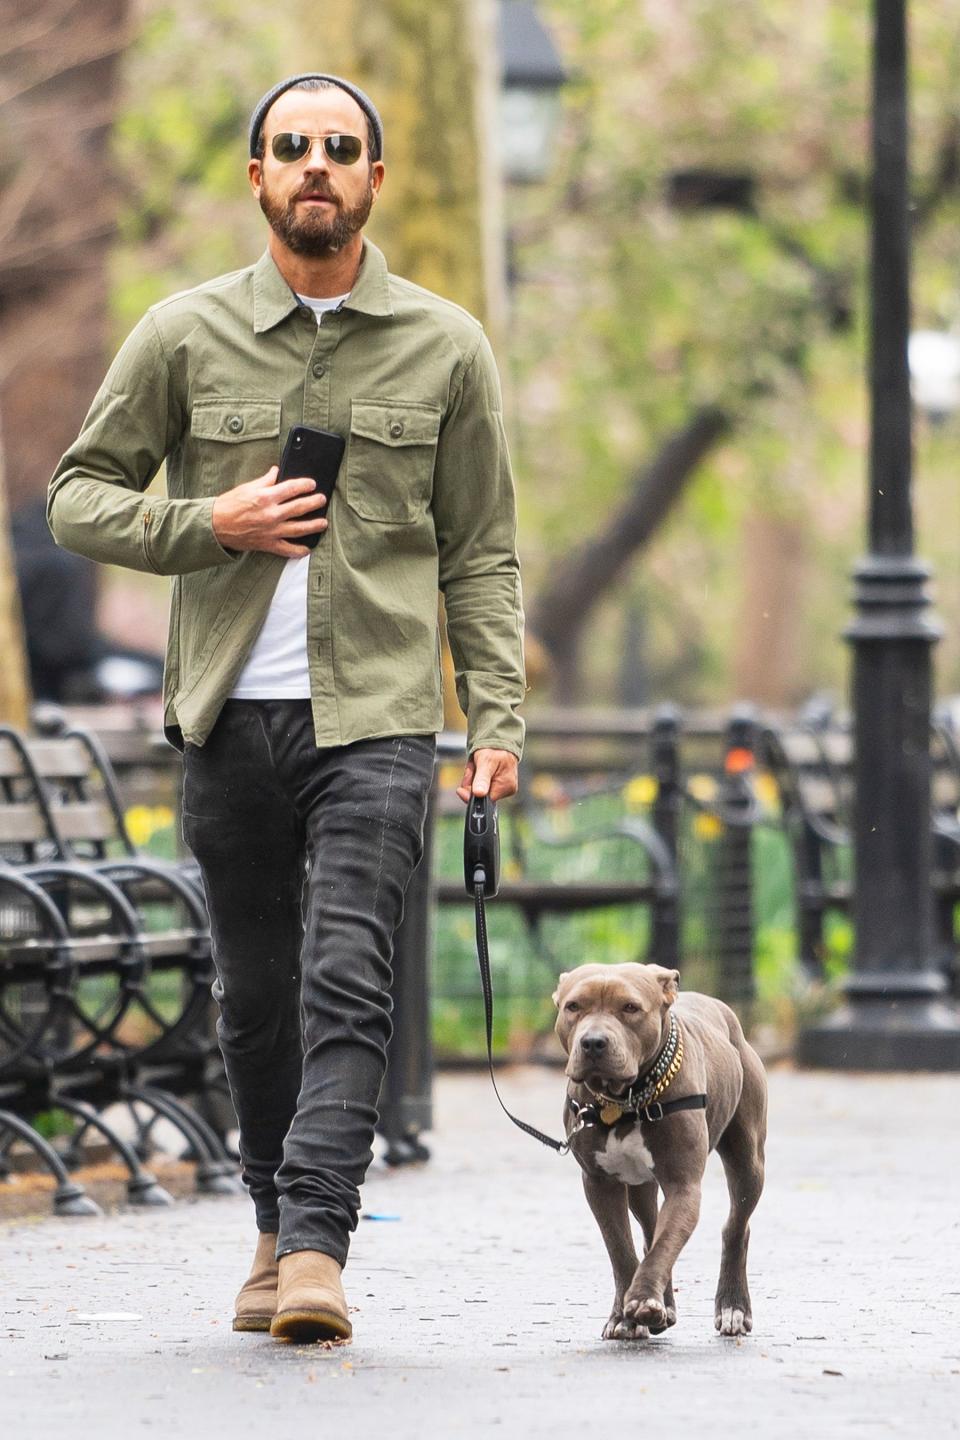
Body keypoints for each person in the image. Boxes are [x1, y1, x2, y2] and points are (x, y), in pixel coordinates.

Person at [47, 72, 526, 1344]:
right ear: (256, 177)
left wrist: (495, 726)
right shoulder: (183, 334)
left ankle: (317, 1246)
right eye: (291, 147)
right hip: (226, 720)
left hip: (374, 718)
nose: (317, 163)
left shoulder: (446, 344)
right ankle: (271, 1225)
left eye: (342, 147)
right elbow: (77, 496)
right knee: (257, 996)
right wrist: (210, 521)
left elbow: (481, 552)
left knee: (349, 972)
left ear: (376, 178)